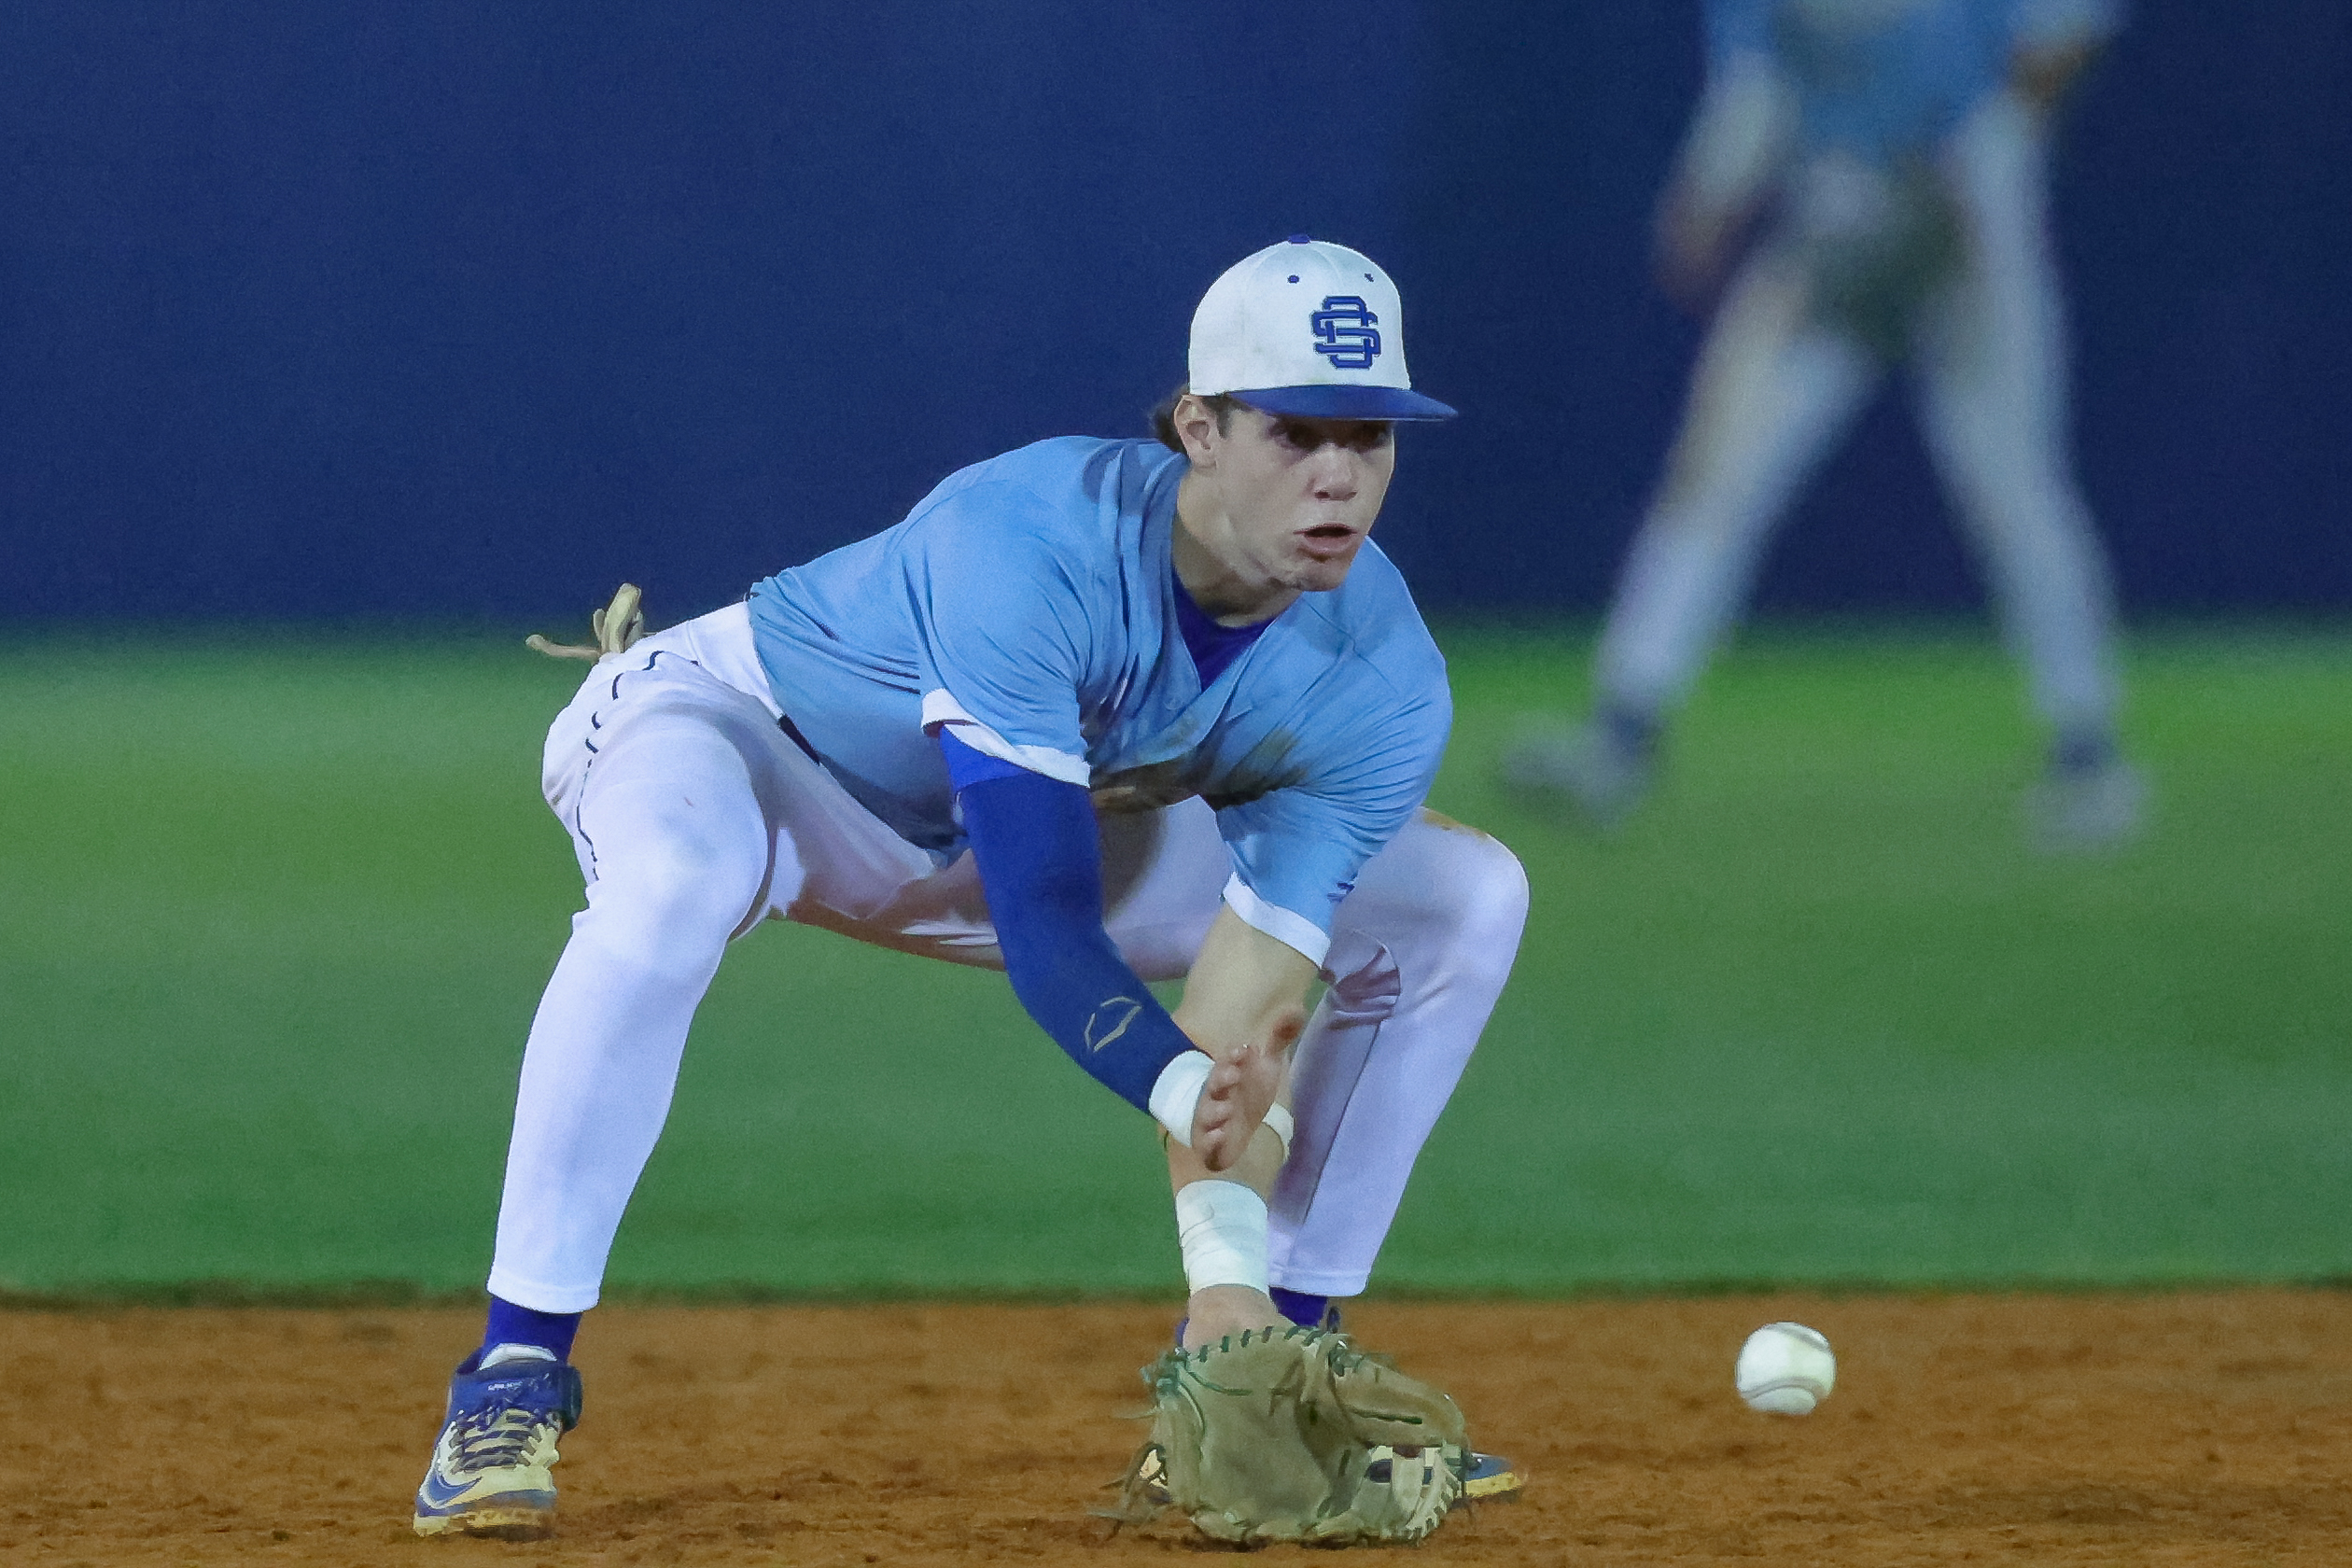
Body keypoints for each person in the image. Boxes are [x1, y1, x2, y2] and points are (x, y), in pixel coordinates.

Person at [413, 237, 1531, 1540]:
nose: (1341, 474)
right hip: (754, 755)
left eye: (1372, 437)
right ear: (1200, 428)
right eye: (1296, 433)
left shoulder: (1378, 674)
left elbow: (1249, 993)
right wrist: (1179, 1086)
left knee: (1461, 896)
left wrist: (1224, 1272)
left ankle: (1279, 1351)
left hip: (1026, 831)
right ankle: (510, 1376)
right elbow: (1046, 923)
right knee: (671, 883)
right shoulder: (1034, 538)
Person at [1505, 0, 2143, 848]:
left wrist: (1984, 142)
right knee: (1718, 472)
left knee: (2012, 484)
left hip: (1967, 202)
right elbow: (1756, 86)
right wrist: (1709, 192)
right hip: (1838, 208)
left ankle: (2090, 753)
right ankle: (1622, 731)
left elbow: (2068, 33)